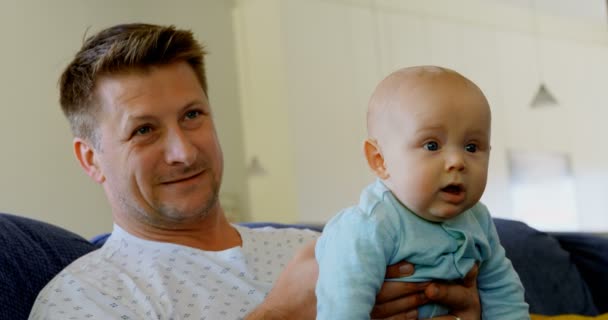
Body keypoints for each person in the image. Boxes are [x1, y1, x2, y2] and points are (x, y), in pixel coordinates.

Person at [29, 24, 481, 319]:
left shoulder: (315, 247)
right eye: (144, 130)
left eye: (192, 116)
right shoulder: (86, 298)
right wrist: (280, 315)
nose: (183, 151)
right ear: (91, 159)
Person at [315, 66, 530, 319]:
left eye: (472, 146)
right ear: (380, 160)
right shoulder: (370, 225)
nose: (457, 161)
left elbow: (503, 292)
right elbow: (344, 307)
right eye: (431, 145)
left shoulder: (478, 219)